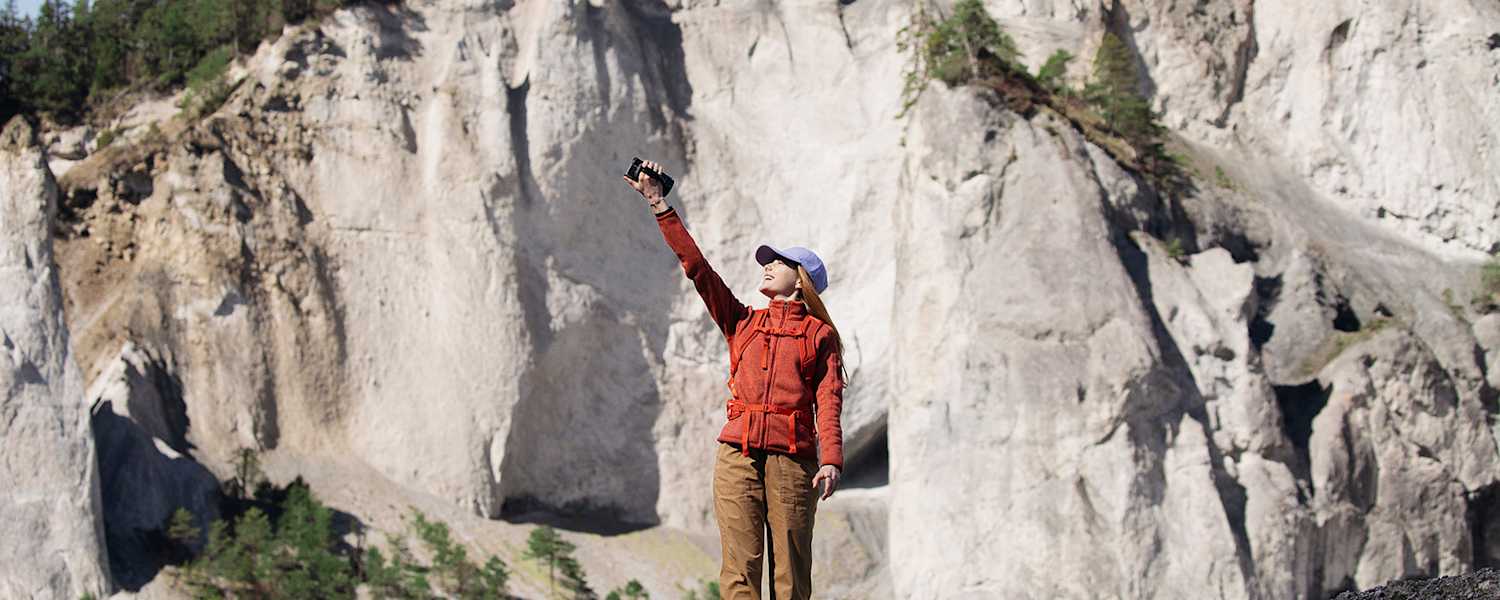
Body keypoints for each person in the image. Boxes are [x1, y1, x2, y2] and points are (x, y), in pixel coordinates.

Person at [623, 159, 846, 600]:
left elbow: (830, 400)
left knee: (790, 577)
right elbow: (697, 268)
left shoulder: (821, 336)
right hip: (736, 456)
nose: (766, 266)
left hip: (792, 461)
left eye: (778, 263)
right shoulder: (741, 322)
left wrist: (832, 459)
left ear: (801, 281)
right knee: (739, 573)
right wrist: (657, 203)